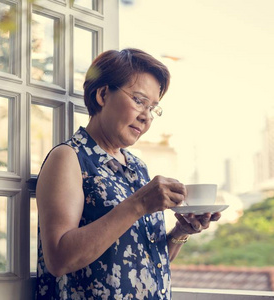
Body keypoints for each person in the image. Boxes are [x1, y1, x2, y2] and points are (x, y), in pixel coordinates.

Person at [35, 48, 221, 300]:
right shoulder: (69, 157)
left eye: (153, 108)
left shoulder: (137, 166)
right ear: (102, 94)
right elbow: (59, 259)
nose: (146, 117)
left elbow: (148, 260)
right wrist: (139, 203)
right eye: (138, 100)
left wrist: (181, 232)